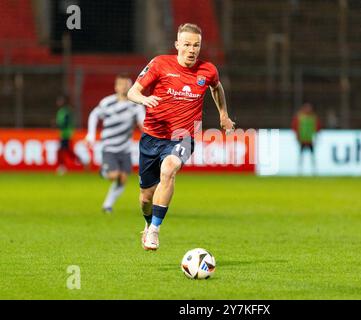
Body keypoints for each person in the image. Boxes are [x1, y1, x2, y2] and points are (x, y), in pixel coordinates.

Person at [127, 23, 235, 251]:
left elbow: (217, 88)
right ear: (177, 45)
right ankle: (148, 224)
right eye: (186, 44)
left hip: (183, 137)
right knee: (146, 197)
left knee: (169, 169)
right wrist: (144, 100)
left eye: (196, 45)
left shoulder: (208, 70)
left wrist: (223, 115)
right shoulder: (159, 64)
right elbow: (132, 91)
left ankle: (155, 230)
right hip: (152, 137)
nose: (192, 50)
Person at [85, 74, 145, 213]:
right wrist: (91, 134)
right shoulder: (107, 102)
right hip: (109, 146)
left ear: (131, 86)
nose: (123, 87)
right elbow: (94, 115)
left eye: (126, 84)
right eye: (121, 84)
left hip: (125, 148)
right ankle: (104, 172)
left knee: (122, 179)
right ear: (116, 86)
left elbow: (142, 122)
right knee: (114, 175)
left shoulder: (135, 104)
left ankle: (107, 205)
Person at [55, 94, 83, 175]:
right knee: (65, 150)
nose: (58, 102)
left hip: (66, 134)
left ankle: (62, 167)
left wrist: (58, 124)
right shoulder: (62, 111)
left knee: (63, 150)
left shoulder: (66, 111)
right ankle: (79, 161)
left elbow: (65, 123)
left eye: (60, 101)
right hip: (63, 134)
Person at [291, 102, 321, 174]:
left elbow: (317, 127)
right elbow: (294, 127)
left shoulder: (313, 117)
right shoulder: (299, 117)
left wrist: (316, 136)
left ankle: (314, 170)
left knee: (312, 155)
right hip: (302, 139)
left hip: (310, 139)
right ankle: (299, 170)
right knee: (301, 155)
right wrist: (297, 136)